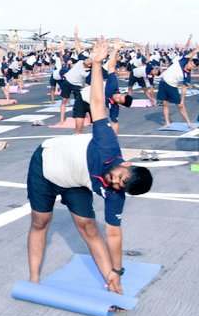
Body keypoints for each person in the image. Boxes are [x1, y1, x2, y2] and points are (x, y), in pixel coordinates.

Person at [26, 38, 154, 295]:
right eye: (120, 177)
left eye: (120, 186)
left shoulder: (116, 192)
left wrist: (117, 272)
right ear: (126, 164)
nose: (115, 182)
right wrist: (96, 64)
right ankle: (33, 280)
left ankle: (111, 285)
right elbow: (97, 104)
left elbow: (114, 235)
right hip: (46, 165)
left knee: (88, 227)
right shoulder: (108, 145)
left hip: (74, 182)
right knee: (41, 221)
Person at [74, 39, 133, 135]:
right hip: (82, 97)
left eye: (119, 100)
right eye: (120, 95)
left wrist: (115, 141)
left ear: (120, 104)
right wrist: (115, 50)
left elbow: (114, 124)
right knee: (78, 128)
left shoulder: (114, 107)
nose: (117, 97)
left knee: (98, 129)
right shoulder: (113, 85)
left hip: (94, 106)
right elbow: (111, 67)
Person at [156, 44, 198, 129]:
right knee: (164, 104)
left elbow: (184, 88)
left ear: (195, 68)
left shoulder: (187, 76)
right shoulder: (183, 61)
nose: (190, 65)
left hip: (172, 87)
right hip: (163, 83)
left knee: (180, 106)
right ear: (189, 61)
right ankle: (167, 123)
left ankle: (189, 123)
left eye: (193, 66)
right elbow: (194, 52)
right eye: (191, 63)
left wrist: (182, 100)